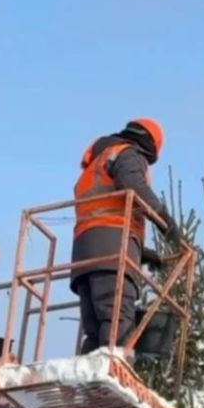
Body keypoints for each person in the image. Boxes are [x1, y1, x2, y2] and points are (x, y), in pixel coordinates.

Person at [71, 118, 180, 354]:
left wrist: (142, 253)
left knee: (95, 328)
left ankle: (88, 374)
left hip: (83, 252)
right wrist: (166, 223)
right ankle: (115, 370)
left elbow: (102, 209)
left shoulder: (98, 161)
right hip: (113, 250)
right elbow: (133, 186)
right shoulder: (128, 154)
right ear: (149, 144)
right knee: (117, 317)